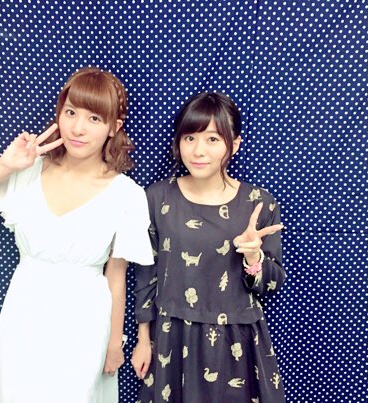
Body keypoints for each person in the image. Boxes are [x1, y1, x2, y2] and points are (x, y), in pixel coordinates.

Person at [0, 67, 154, 402]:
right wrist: (4, 166)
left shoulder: (127, 195)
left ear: (114, 127)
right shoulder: (27, 174)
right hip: (24, 317)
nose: (78, 128)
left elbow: (116, 276)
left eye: (94, 118)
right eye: (71, 112)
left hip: (84, 324)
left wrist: (113, 344)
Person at [131, 92, 286, 402]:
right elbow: (147, 272)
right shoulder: (158, 197)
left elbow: (272, 284)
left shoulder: (258, 203)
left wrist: (253, 256)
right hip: (173, 337)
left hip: (235, 341)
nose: (198, 150)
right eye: (189, 138)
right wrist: (143, 339)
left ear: (234, 144)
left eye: (212, 139)